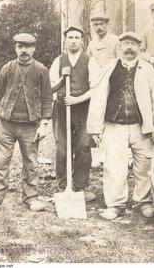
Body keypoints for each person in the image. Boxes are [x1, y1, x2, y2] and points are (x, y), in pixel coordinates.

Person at [87, 32, 154, 220]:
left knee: (144, 165)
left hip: (141, 126)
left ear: (139, 47)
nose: (129, 47)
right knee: (114, 166)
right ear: (120, 46)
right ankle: (115, 204)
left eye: (133, 44)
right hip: (114, 125)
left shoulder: (147, 69)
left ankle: (144, 202)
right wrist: (96, 128)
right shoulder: (109, 68)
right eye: (125, 44)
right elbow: (98, 97)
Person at [0, 33, 53, 214]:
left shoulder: (41, 70)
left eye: (27, 46)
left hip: (30, 126)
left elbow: (47, 99)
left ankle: (31, 198)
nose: (23, 50)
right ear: (15, 48)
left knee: (31, 163)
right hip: (6, 125)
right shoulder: (7, 68)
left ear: (33, 49)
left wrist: (45, 123)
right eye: (20, 46)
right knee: (0, 162)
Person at [49, 26, 98, 202]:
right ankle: (63, 186)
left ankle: (80, 186)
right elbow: (50, 87)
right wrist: (63, 79)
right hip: (62, 108)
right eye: (70, 37)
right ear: (65, 40)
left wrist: (77, 100)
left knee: (83, 146)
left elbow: (95, 89)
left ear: (82, 41)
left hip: (83, 108)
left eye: (77, 37)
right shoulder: (58, 61)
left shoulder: (90, 61)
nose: (74, 40)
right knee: (62, 147)